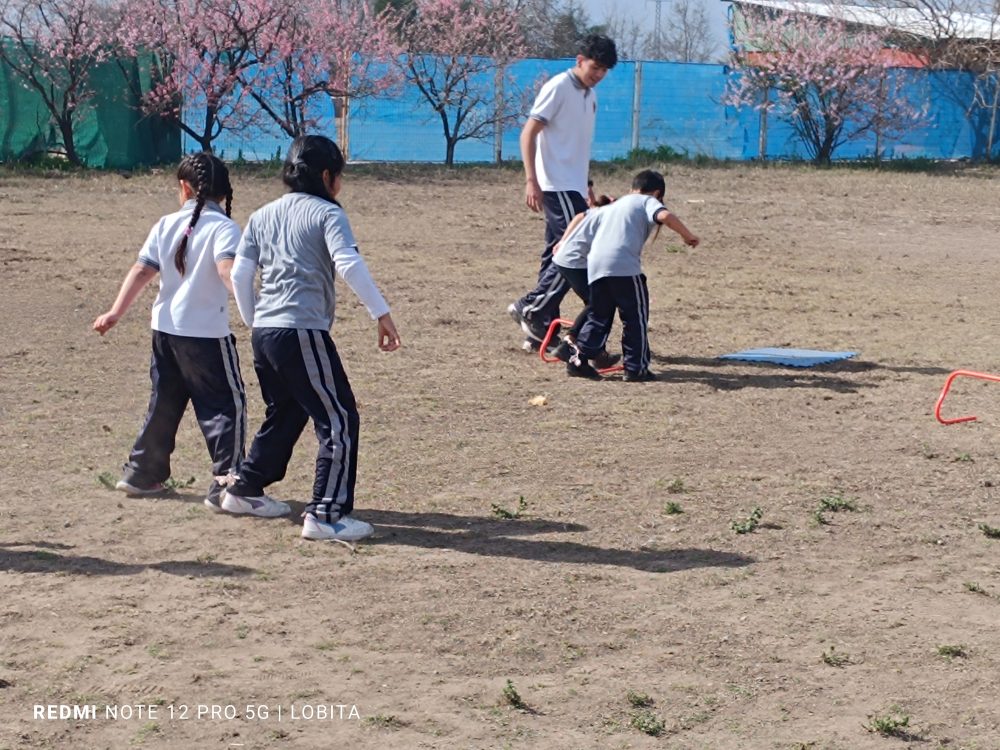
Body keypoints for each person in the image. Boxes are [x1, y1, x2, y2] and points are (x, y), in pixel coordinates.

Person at [225, 135, 401, 542]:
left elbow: (239, 276)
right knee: (339, 418)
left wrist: (257, 322)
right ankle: (325, 514)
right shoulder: (327, 214)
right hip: (300, 329)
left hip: (266, 333)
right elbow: (348, 263)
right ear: (326, 176)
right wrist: (382, 313)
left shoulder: (262, 214)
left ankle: (245, 488)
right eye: (338, 176)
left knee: (287, 411)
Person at [93, 153, 247, 510]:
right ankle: (227, 484)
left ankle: (142, 472)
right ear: (224, 192)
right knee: (225, 405)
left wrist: (116, 311)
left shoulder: (164, 224)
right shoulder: (224, 227)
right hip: (206, 333)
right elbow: (227, 270)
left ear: (184, 187)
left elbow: (142, 271)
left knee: (164, 400)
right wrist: (252, 301)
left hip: (164, 329)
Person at [507, 33, 618, 352]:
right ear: (579, 60)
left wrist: (588, 186)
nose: (598, 75)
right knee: (573, 250)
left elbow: (579, 145)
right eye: (594, 67)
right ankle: (532, 307)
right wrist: (532, 180)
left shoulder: (590, 97)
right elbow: (529, 133)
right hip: (554, 184)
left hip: (574, 185)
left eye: (604, 71)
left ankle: (538, 329)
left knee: (554, 254)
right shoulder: (558, 87)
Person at [567, 169, 700, 382]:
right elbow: (665, 216)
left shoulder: (613, 205)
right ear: (657, 193)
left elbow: (584, 219)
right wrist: (688, 236)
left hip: (596, 266)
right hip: (624, 268)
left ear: (632, 188)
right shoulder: (647, 201)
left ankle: (579, 360)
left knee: (599, 316)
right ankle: (635, 368)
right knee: (634, 317)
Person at [550, 205, 620, 369]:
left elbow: (580, 216)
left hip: (566, 259)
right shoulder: (616, 217)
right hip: (575, 262)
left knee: (597, 302)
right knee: (599, 301)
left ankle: (597, 353)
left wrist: (563, 241)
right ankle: (570, 341)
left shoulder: (600, 212)